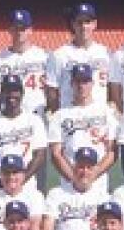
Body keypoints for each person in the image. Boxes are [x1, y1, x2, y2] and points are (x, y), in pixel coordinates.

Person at [48, 63, 119, 196]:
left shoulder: (106, 112)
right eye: (78, 81)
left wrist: (93, 174)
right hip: (69, 185)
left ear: (92, 83)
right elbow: (56, 154)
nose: (81, 86)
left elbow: (112, 151)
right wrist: (74, 179)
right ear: (71, 84)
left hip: (98, 184)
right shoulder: (60, 115)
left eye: (85, 81)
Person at [41, 147, 109, 230]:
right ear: (74, 167)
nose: (84, 171)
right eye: (81, 167)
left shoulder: (103, 197)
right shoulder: (56, 193)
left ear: (95, 170)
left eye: (89, 167)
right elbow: (47, 225)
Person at [0, 75, 48, 194]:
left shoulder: (34, 120)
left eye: (15, 91)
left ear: (22, 93)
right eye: (7, 91)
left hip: (27, 188)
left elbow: (40, 155)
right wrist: (0, 181)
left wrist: (22, 180)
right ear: (1, 94)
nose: (11, 95)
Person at [46, 3, 112, 111]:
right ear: (73, 24)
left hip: (98, 116)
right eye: (79, 22)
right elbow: (52, 92)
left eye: (87, 22)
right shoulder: (59, 55)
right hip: (69, 114)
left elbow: (113, 88)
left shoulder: (105, 53)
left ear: (95, 24)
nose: (83, 26)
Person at [0, 9, 49, 117]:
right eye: (15, 28)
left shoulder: (45, 57)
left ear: (30, 30)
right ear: (9, 30)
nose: (19, 32)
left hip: (38, 113)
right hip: (9, 115)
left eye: (23, 28)